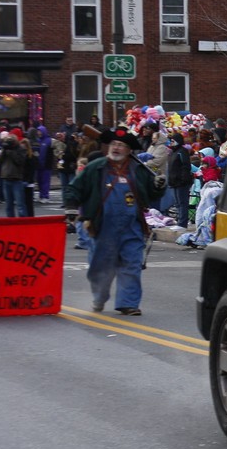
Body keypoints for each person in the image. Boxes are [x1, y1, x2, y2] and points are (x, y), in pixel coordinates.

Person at [64, 127, 166, 315]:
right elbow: (75, 188)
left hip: (132, 227)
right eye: (114, 144)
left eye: (121, 145)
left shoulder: (138, 170)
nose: (117, 148)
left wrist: (159, 185)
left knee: (132, 264)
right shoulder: (96, 168)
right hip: (102, 227)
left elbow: (151, 193)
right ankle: (99, 297)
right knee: (100, 269)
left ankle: (128, 303)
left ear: (128, 150)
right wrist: (71, 207)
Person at [0, 133, 28, 217]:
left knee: (20, 204)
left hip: (16, 179)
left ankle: (23, 222)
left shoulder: (20, 149)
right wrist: (4, 151)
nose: (8, 143)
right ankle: (10, 222)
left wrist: (11, 152)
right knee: (8, 205)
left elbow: (20, 162)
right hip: (5, 178)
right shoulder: (5, 150)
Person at [166, 133, 193, 227]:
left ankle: (182, 223)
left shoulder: (182, 151)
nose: (171, 143)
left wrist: (183, 179)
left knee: (182, 202)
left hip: (181, 182)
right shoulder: (172, 152)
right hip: (174, 182)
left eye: (173, 141)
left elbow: (186, 166)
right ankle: (179, 221)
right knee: (177, 203)